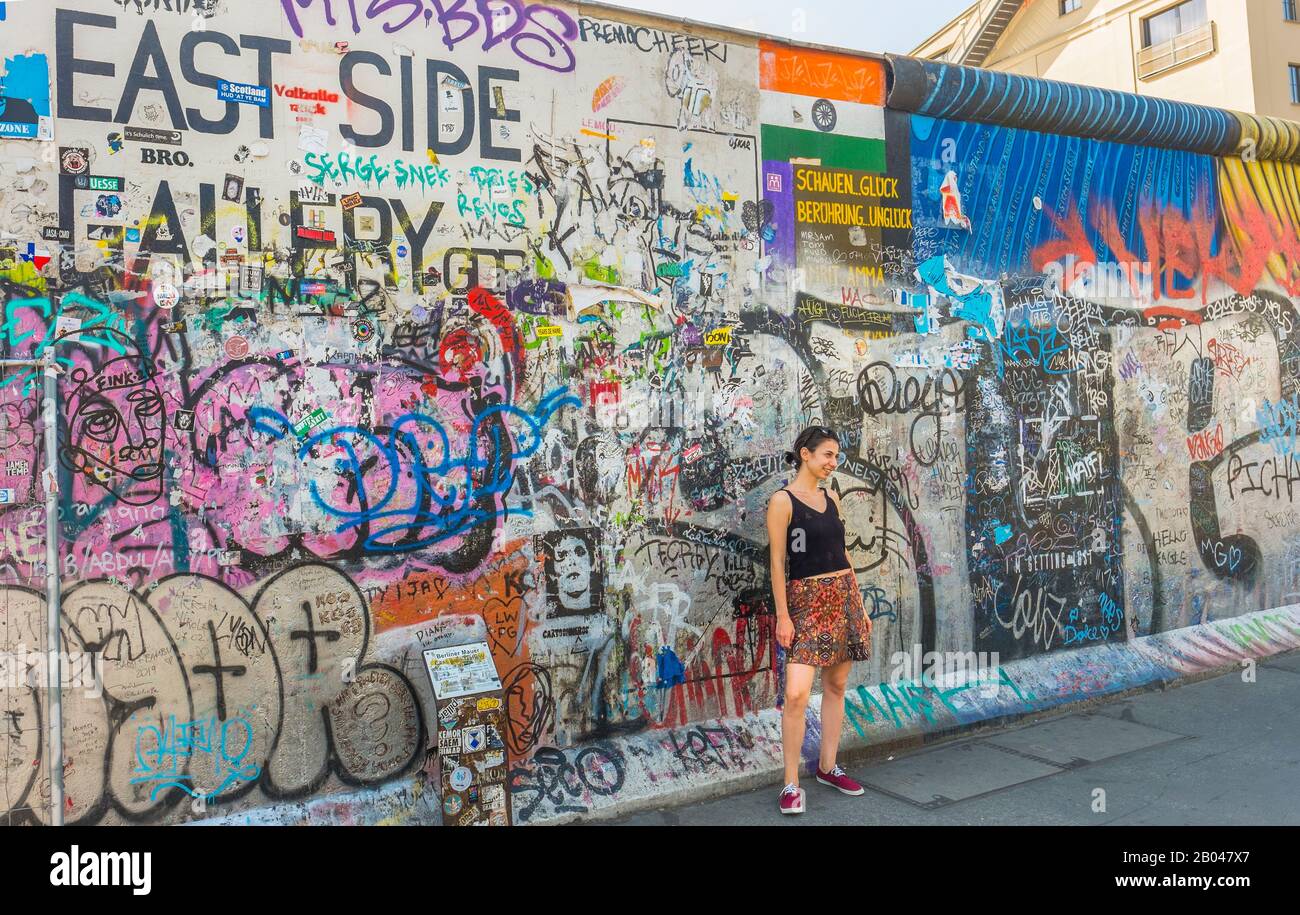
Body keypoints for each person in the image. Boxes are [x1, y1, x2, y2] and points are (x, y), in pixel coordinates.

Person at [766, 425, 872, 814]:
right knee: (796, 694)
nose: (833, 462)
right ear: (805, 454)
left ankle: (828, 766)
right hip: (804, 603)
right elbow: (777, 562)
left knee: (837, 684)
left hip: (842, 597)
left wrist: (858, 606)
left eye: (837, 456)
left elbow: (843, 557)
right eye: (827, 454)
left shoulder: (832, 498)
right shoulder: (783, 501)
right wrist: (783, 615)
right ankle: (790, 785)